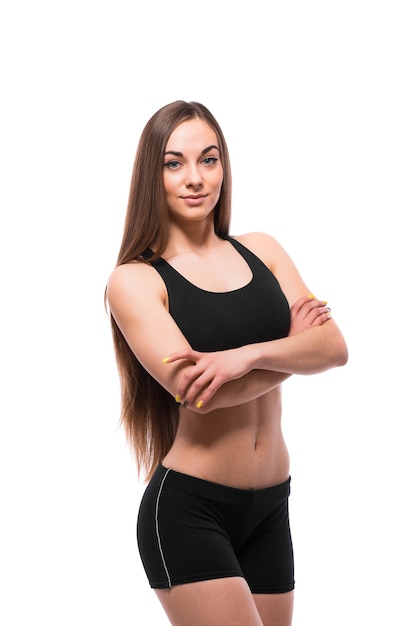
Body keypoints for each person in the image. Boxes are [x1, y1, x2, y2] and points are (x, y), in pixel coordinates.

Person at [106, 100, 348, 626]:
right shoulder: (135, 280)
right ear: (153, 174)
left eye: (208, 159)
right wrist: (295, 348)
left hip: (272, 508)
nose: (194, 178)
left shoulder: (264, 250)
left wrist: (247, 356)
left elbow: (334, 348)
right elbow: (200, 392)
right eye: (174, 163)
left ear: (224, 167)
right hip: (190, 510)